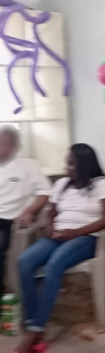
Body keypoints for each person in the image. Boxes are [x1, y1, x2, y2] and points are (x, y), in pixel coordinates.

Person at [8, 144, 105, 353]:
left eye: (71, 163)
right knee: (25, 261)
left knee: (54, 265)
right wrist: (49, 227)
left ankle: (33, 332)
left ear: (84, 165)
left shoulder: (102, 184)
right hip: (58, 235)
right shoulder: (62, 185)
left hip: (86, 238)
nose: (67, 167)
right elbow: (52, 212)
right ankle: (34, 325)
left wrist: (75, 232)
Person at [0, 125, 50, 297]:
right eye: (1, 143)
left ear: (17, 147)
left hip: (7, 219)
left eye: (9, 144)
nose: (4, 149)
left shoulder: (28, 166)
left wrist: (29, 211)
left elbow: (45, 192)